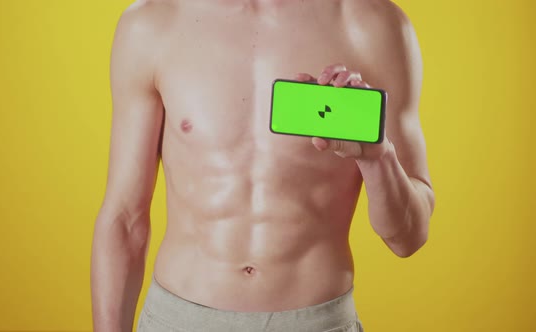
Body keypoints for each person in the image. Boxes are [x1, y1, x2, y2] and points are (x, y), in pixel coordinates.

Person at [90, 0, 435, 331]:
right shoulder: (152, 23)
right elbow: (124, 219)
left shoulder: (372, 25)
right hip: (179, 320)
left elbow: (408, 238)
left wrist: (378, 158)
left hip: (315, 323)